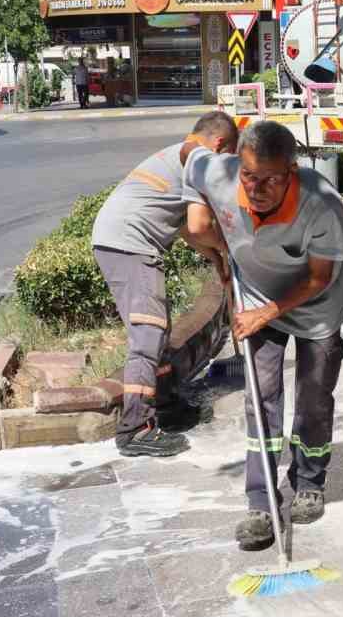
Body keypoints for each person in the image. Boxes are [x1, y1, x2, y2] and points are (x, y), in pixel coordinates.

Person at [183, 121, 343, 551]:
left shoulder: (322, 204)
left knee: (314, 396)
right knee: (261, 399)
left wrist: (266, 313)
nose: (256, 189)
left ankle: (309, 482)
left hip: (317, 309)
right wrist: (201, 225)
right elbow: (189, 153)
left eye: (270, 180)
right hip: (256, 296)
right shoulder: (220, 175)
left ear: (291, 171)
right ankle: (260, 501)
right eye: (249, 176)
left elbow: (319, 278)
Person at [91, 111, 239, 458]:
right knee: (148, 333)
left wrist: (216, 258)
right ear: (219, 144)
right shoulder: (197, 161)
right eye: (229, 155)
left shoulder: (180, 156)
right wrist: (227, 247)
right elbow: (201, 227)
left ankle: (167, 406)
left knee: (158, 329)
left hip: (121, 239)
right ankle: (135, 428)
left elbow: (187, 227)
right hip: (129, 244)